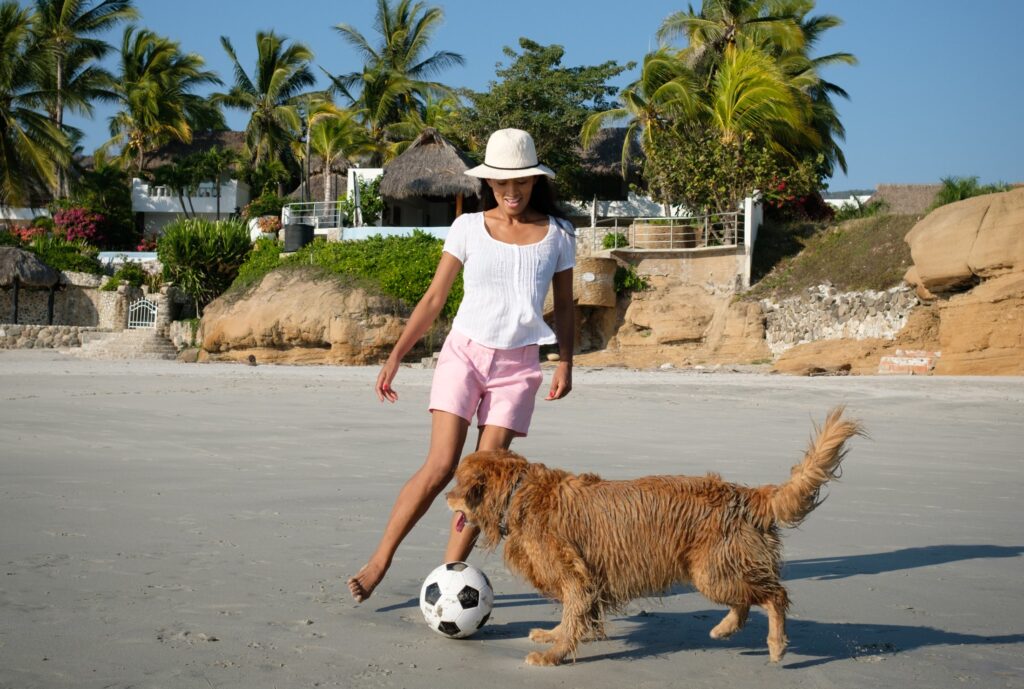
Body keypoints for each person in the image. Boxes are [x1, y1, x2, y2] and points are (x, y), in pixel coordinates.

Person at [347, 128, 576, 603]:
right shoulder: (467, 228)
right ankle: (380, 560)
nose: (511, 193)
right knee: (442, 465)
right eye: (501, 184)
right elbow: (434, 298)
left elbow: (567, 306)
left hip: (518, 368)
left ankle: (450, 577)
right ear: (488, 183)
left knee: (481, 480)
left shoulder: (558, 235)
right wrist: (396, 354)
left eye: (521, 183)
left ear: (535, 181)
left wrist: (565, 363)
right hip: (464, 354)